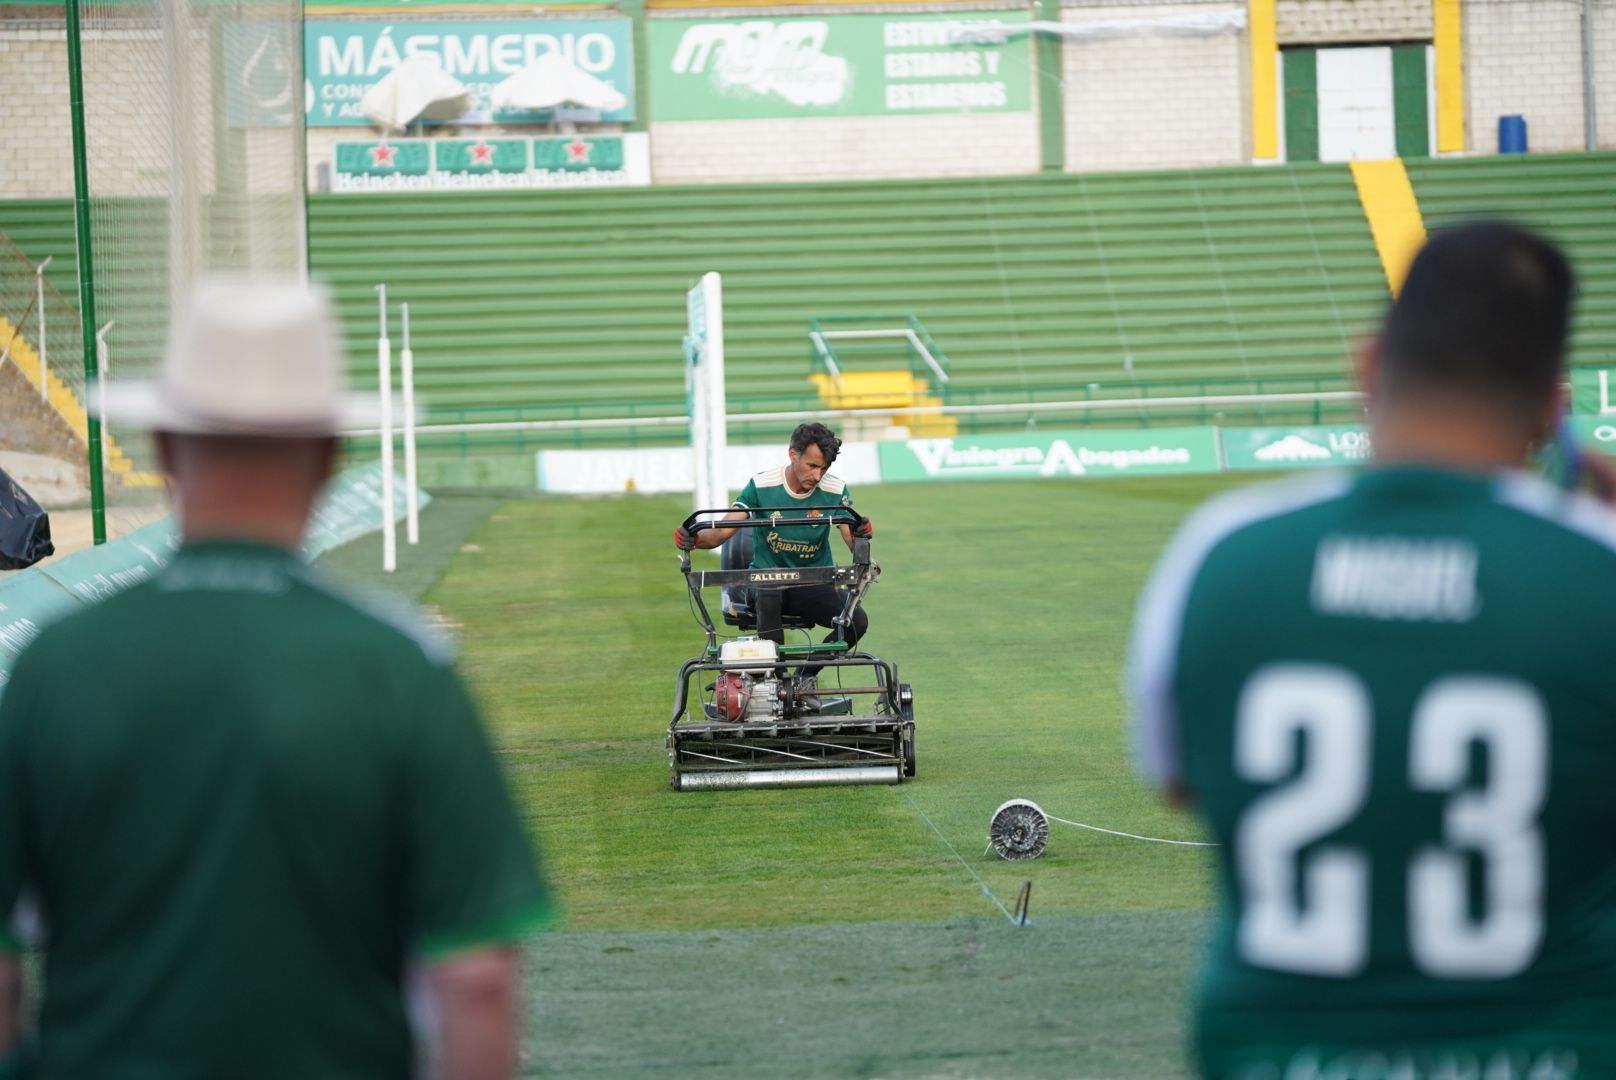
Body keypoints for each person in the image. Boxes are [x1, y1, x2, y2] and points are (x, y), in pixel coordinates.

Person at [0, 278, 551, 1079]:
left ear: (164, 447)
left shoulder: (52, 664)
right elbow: (475, 977)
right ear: (330, 454)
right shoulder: (399, 668)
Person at [1129, 221, 1616, 1079]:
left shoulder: (1223, 552)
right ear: (1551, 408)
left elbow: (1183, 782)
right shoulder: (1594, 570)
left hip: (1278, 1057)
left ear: (1367, 367)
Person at [675, 422, 874, 678]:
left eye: (824, 468)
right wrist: (692, 539)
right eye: (812, 466)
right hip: (766, 581)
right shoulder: (761, 486)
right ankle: (778, 681)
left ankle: (804, 677)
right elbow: (720, 532)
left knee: (857, 622)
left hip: (813, 583)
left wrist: (863, 538)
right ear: (793, 454)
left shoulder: (835, 490)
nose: (817, 475)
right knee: (768, 591)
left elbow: (852, 538)